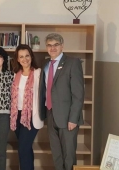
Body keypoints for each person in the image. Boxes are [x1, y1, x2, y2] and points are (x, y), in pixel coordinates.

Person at [39, 33, 84, 170]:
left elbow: (78, 94)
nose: (52, 48)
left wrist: (73, 119)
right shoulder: (46, 65)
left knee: (69, 155)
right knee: (56, 154)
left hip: (68, 118)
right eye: (49, 45)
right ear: (46, 47)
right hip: (50, 114)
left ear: (62, 46)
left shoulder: (72, 62)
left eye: (56, 45)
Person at [10, 44, 44, 170]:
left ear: (31, 56)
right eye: (21, 57)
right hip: (17, 115)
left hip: (30, 115)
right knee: (26, 148)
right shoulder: (15, 75)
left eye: (27, 56)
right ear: (17, 59)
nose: (25, 59)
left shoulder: (38, 73)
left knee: (23, 148)